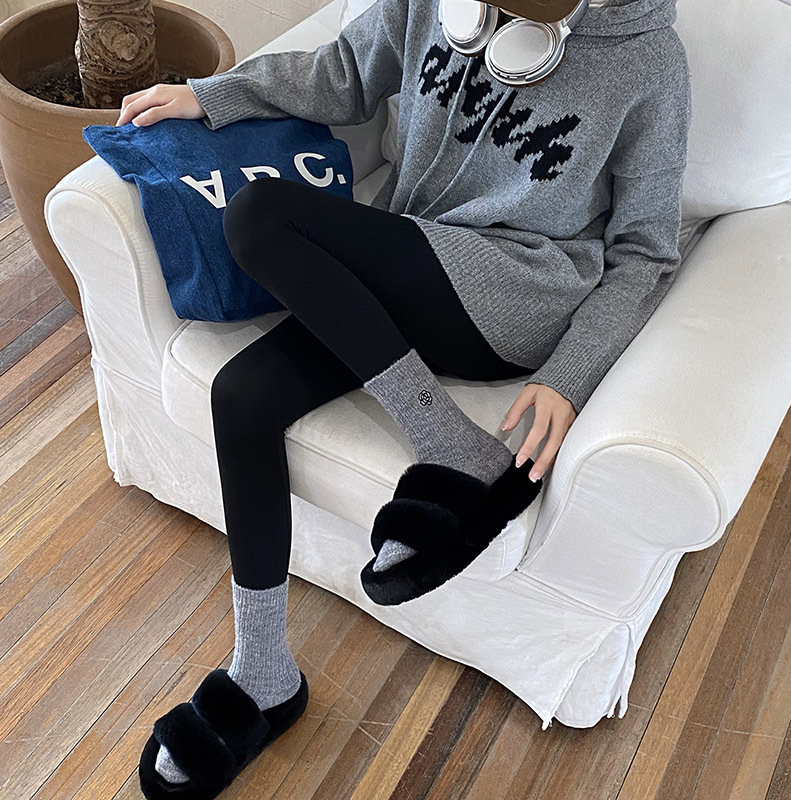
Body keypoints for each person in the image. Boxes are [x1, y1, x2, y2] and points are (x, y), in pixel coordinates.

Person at [120, 0, 691, 794]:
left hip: (515, 291)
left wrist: (569, 374)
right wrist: (215, 95)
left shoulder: (648, 61)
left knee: (260, 215)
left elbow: (645, 251)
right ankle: (263, 673)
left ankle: (448, 442)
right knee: (241, 396)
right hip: (409, 264)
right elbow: (344, 73)